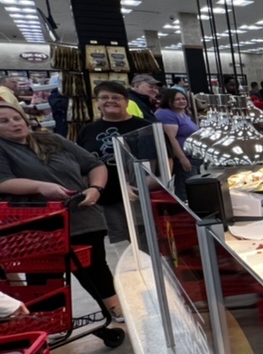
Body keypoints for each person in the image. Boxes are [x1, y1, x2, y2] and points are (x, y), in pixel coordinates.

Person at [0, 102, 124, 322]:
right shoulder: (3, 149)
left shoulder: (53, 140)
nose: (14, 124)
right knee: (44, 277)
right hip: (36, 226)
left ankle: (116, 310)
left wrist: (95, 189)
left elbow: (94, 165)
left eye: (17, 118)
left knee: (95, 268)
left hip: (82, 216)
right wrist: (39, 186)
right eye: (4, 121)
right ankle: (51, 322)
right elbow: (4, 182)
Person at [76, 81, 151, 244]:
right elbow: (82, 164)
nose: (110, 101)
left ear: (126, 102)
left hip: (140, 200)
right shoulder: (88, 130)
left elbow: (164, 163)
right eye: (104, 97)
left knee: (146, 245)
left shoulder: (146, 127)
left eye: (116, 97)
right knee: (121, 246)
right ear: (98, 103)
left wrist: (142, 187)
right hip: (106, 200)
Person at [155, 88, 199, 200]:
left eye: (183, 98)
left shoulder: (182, 113)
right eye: (177, 99)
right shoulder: (166, 114)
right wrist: (182, 158)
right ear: (168, 101)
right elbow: (171, 139)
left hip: (192, 157)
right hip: (182, 160)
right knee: (187, 192)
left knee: (195, 188)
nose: (181, 101)